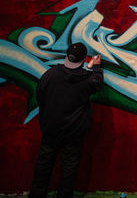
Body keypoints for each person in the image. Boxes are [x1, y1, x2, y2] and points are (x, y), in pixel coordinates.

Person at [29, 42, 103, 198]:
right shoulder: (87, 79)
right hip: (73, 133)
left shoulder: (50, 75)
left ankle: (36, 195)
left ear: (67, 55)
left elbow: (40, 96)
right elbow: (96, 82)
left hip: (51, 129)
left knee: (43, 166)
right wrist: (95, 67)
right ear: (84, 59)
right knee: (69, 170)